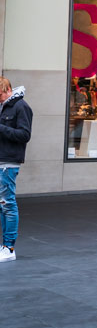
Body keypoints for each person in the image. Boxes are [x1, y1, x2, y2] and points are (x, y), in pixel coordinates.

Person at [0, 78, 32, 263]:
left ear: (8, 89)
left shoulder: (21, 107)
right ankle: (5, 245)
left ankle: (9, 247)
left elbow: (24, 135)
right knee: (3, 205)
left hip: (9, 162)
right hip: (2, 160)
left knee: (7, 204)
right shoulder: (4, 106)